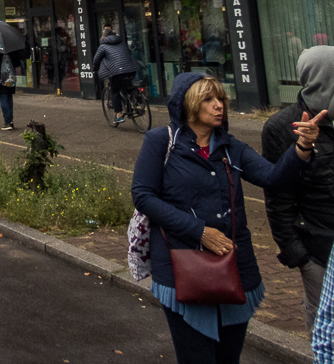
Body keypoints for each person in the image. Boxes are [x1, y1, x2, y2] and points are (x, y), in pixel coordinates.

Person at [132, 72, 321, 363]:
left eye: (220, 98)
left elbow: (273, 177)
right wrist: (200, 231)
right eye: (208, 99)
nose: (218, 105)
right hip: (183, 268)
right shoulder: (161, 142)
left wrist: (302, 147)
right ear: (188, 105)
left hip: (233, 268)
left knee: (228, 358)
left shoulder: (232, 147)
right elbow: (144, 196)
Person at [264, 46, 334, 332]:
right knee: (326, 326)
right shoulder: (282, 128)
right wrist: (298, 254)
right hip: (317, 248)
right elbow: (278, 196)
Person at [94, 26, 139, 124]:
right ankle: (133, 103)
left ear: (104, 37)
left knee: (114, 92)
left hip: (117, 73)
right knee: (127, 86)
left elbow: (96, 60)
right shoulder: (122, 43)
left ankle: (119, 115)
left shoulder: (103, 46)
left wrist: (95, 70)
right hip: (132, 70)